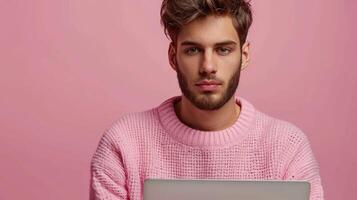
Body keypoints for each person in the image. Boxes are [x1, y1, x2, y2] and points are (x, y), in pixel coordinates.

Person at [89, 0, 324, 200]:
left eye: (223, 50)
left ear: (244, 56)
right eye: (193, 50)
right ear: (173, 56)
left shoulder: (287, 148)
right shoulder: (123, 143)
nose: (208, 67)